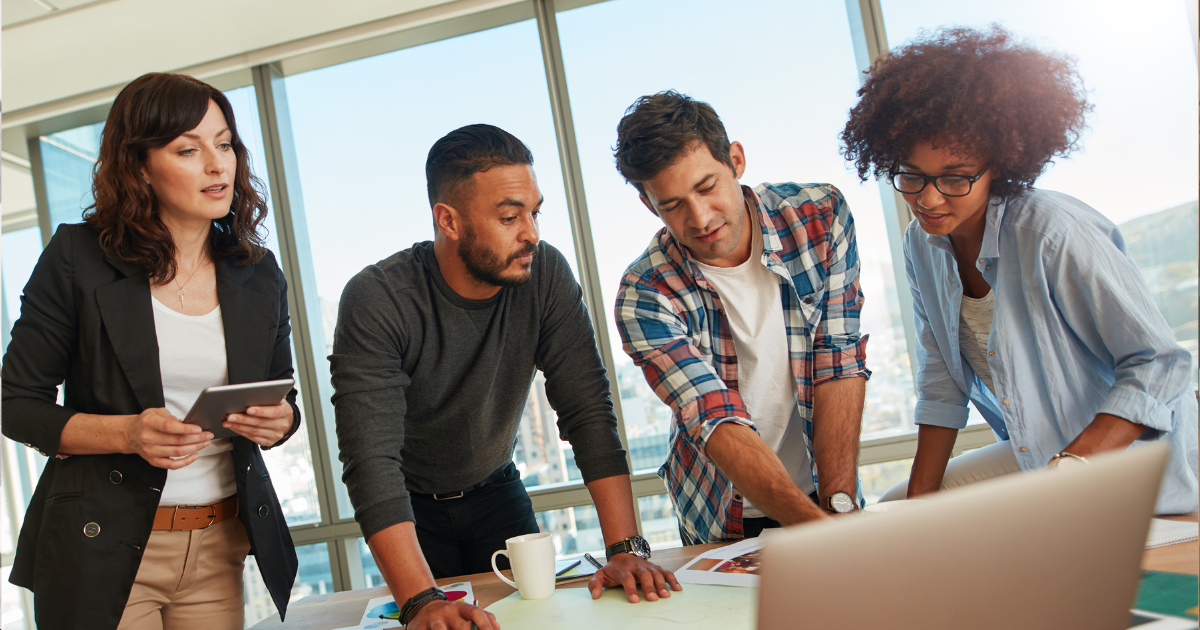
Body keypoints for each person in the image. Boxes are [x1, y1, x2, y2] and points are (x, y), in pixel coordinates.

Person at [330, 124, 681, 630]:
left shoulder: (545, 275)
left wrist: (625, 548)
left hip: (497, 495)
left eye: (534, 213)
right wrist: (418, 601)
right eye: (509, 216)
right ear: (448, 220)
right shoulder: (378, 298)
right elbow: (371, 461)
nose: (531, 233)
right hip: (410, 513)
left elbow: (587, 411)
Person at [839, 26, 1198, 511]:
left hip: (1132, 459)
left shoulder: (1052, 233)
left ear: (1000, 165)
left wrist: (1073, 466)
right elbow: (942, 384)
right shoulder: (921, 246)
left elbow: (1159, 363)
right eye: (911, 176)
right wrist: (914, 514)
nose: (927, 199)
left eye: (955, 179)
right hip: (1043, 456)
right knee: (899, 505)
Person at [1, 73, 301, 630]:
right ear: (138, 166)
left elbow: (282, 395)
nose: (218, 165)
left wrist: (279, 420)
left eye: (225, 143)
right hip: (104, 547)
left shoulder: (257, 273)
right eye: (188, 149)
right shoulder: (77, 258)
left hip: (219, 544)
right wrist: (126, 434)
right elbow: (16, 403)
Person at [612, 91, 871, 545]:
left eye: (707, 186)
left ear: (736, 159)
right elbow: (714, 417)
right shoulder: (644, 293)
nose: (700, 217)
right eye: (672, 204)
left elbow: (839, 360)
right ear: (649, 205)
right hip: (721, 519)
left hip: (826, 493)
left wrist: (837, 511)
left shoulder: (819, 216)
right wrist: (816, 531)